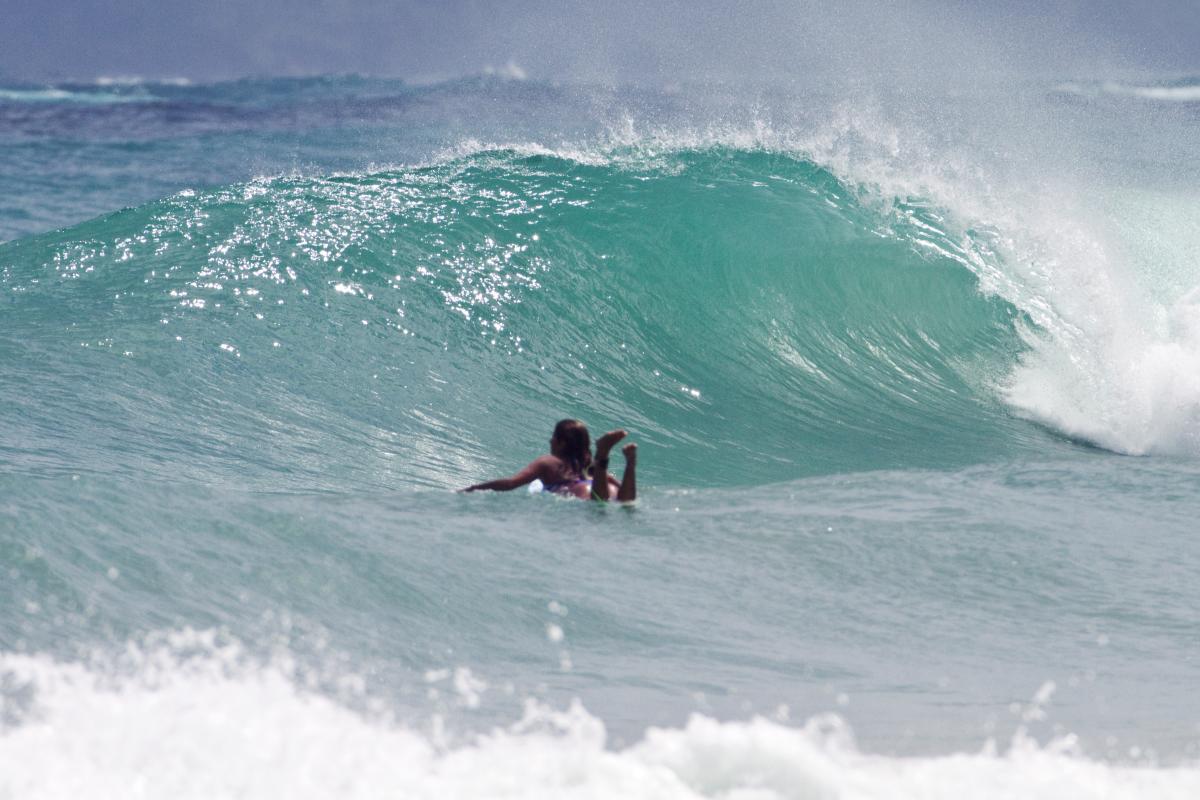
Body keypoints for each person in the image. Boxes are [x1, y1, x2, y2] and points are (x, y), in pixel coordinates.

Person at [461, 419, 637, 502]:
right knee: (625, 501)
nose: (550, 441)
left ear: (561, 443)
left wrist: (473, 488)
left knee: (599, 503)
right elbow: (612, 481)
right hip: (606, 487)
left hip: (583, 492)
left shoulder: (548, 462)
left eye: (553, 437)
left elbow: (510, 484)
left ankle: (603, 453)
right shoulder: (586, 462)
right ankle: (629, 464)